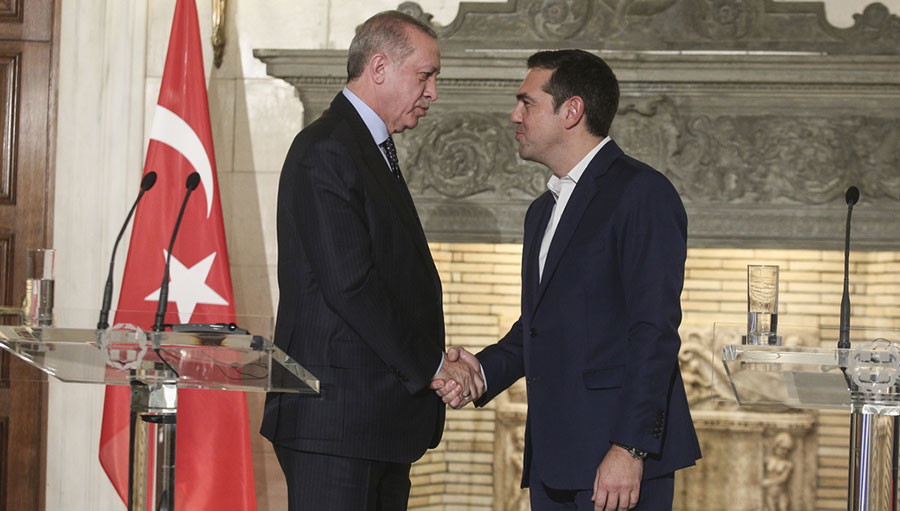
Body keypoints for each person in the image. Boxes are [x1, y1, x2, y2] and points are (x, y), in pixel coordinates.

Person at [432, 49, 701, 510]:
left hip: (616, 465)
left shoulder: (642, 193)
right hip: (554, 464)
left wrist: (629, 449)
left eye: (527, 102)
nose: (514, 115)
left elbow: (654, 330)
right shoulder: (541, 211)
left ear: (572, 110)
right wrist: (481, 371)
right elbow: (539, 327)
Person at [261, 11, 482, 511]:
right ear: (379, 67)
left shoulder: (366, 147)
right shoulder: (327, 149)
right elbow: (351, 286)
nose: (433, 93)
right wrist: (433, 365)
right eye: (425, 76)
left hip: (374, 424)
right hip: (336, 425)